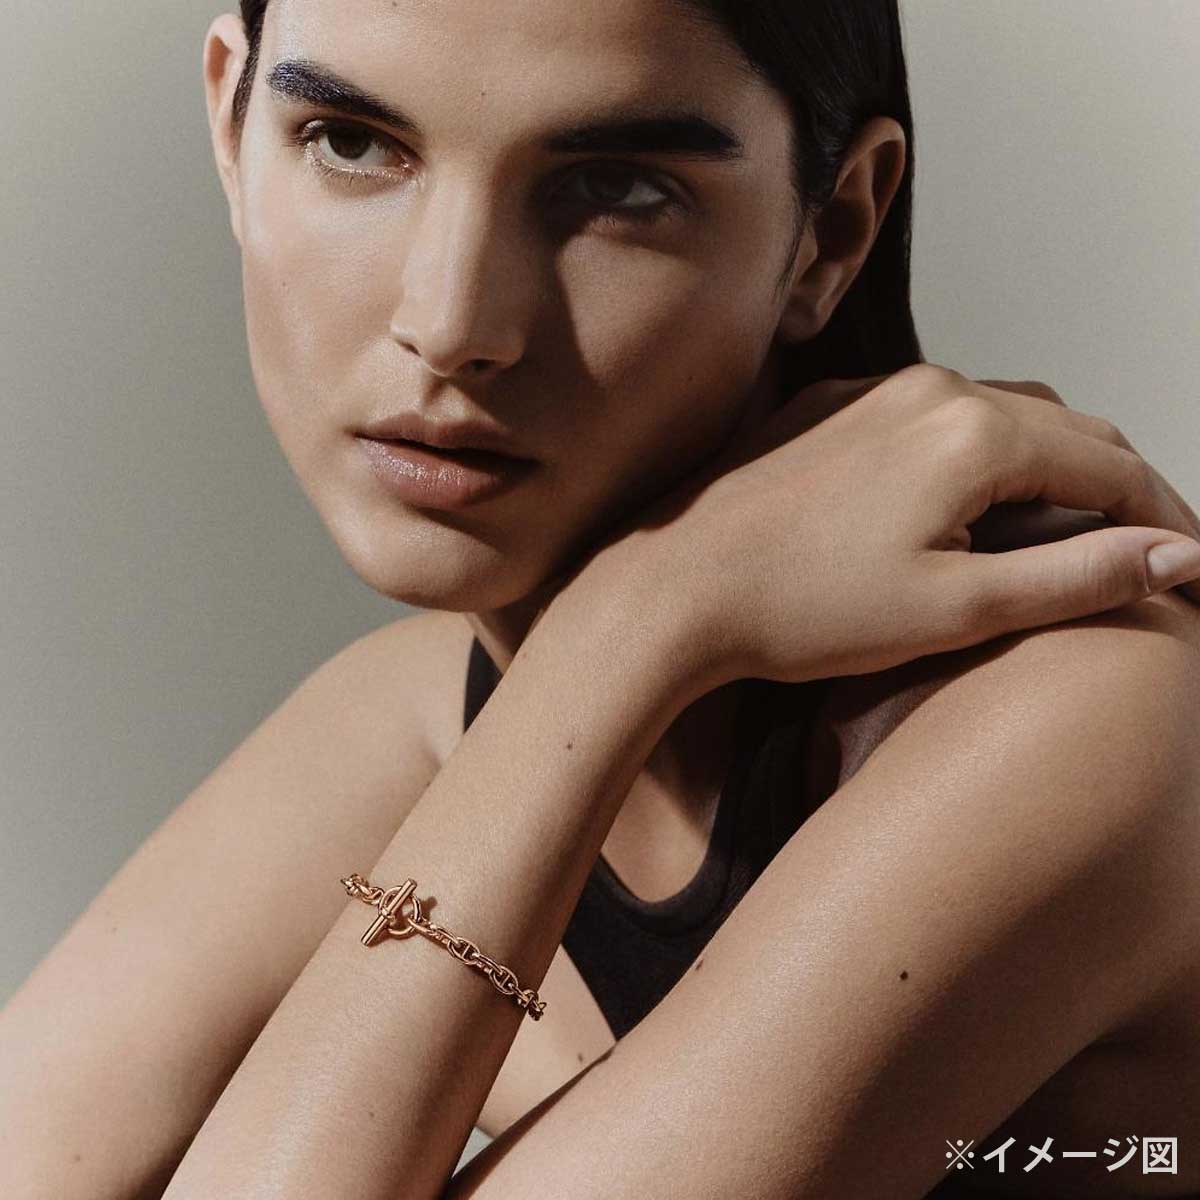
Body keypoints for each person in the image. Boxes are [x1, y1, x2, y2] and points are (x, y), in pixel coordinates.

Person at [2, 2, 1199, 1198]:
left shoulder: (1085, 713)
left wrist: (646, 611)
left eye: (617, 187)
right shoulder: (415, 720)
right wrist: (643, 616)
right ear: (231, 121)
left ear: (832, 229)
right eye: (352, 142)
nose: (451, 323)